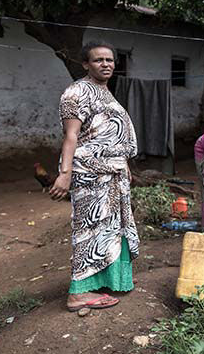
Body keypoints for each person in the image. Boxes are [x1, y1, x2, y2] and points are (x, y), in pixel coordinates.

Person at [49, 41, 139, 312]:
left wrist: (124, 166)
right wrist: (64, 174)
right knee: (89, 233)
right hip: (90, 175)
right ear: (86, 64)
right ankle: (78, 294)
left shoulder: (106, 92)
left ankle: (103, 282)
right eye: (98, 60)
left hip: (112, 174)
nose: (106, 64)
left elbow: (109, 134)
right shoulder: (76, 92)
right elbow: (71, 136)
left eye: (110, 60)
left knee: (110, 231)